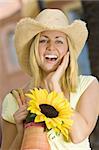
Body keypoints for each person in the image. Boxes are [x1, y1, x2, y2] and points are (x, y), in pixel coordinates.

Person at [1, 8, 99, 150]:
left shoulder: (87, 85)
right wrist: (21, 131)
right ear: (34, 49)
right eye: (43, 40)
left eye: (59, 41)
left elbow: (78, 135)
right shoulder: (15, 99)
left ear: (68, 51)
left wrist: (55, 86)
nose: (50, 47)